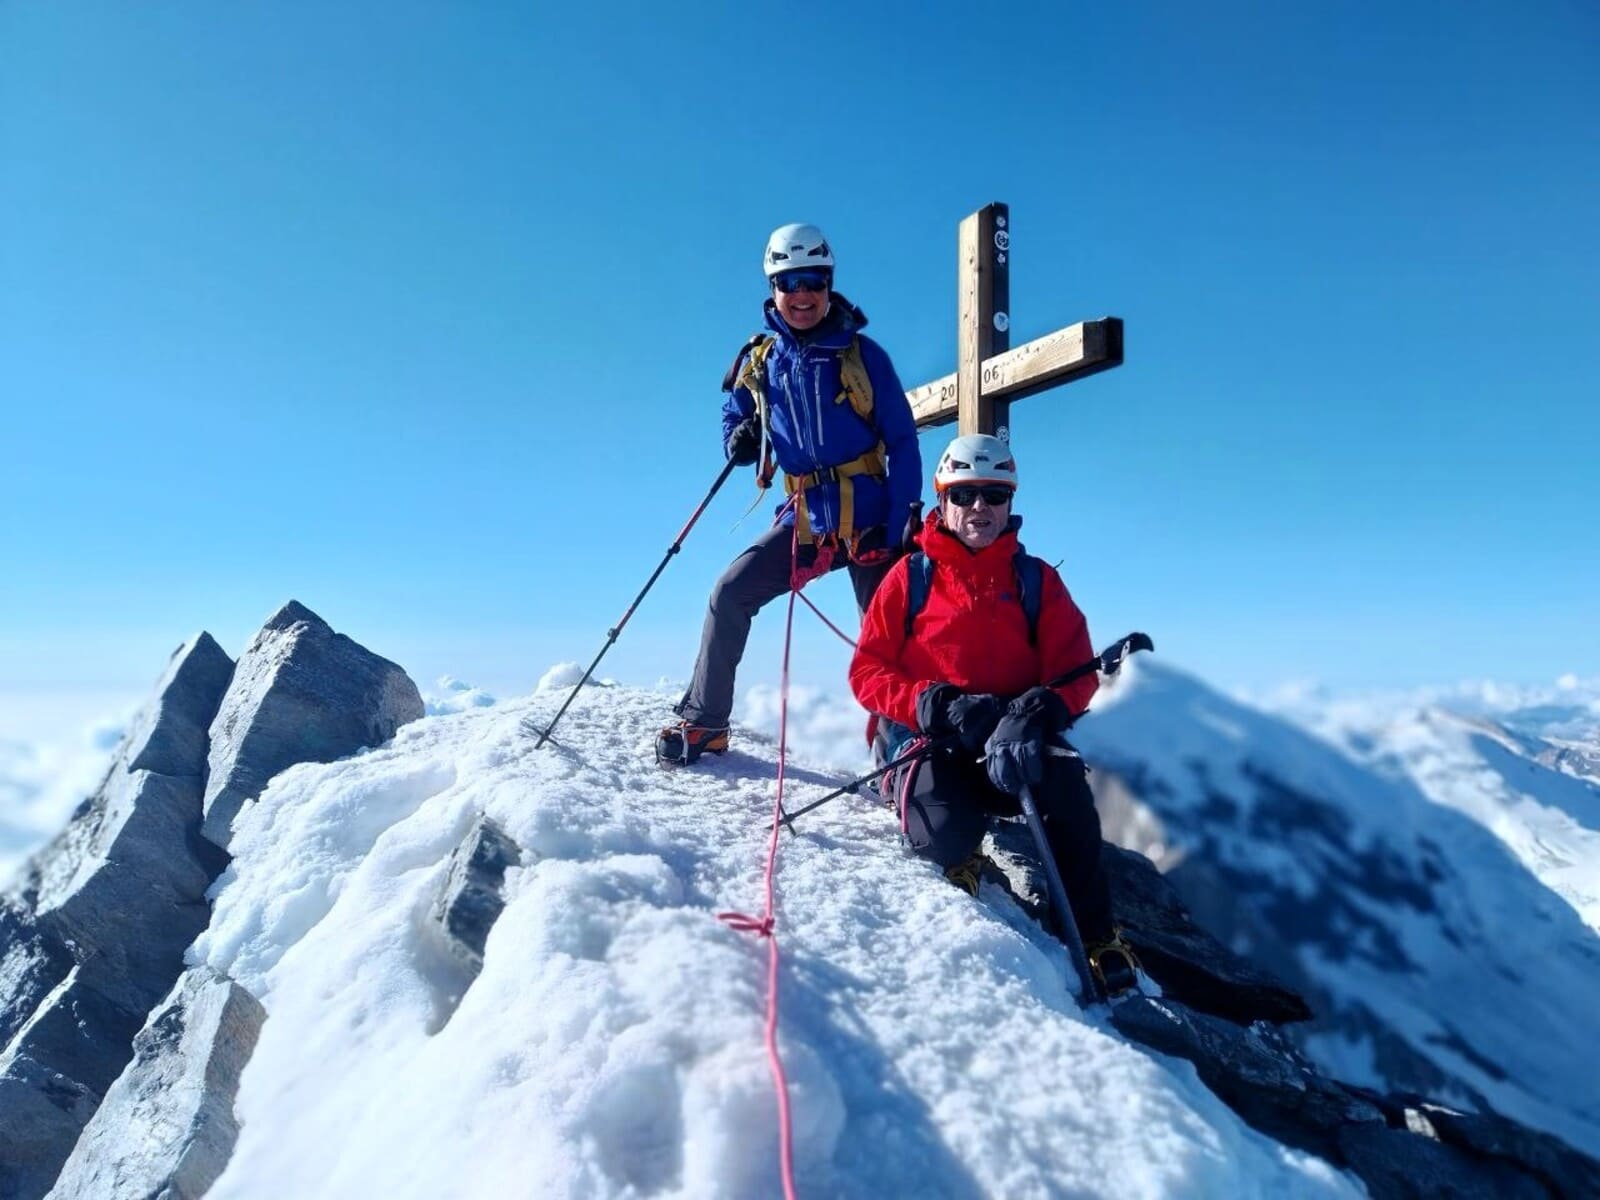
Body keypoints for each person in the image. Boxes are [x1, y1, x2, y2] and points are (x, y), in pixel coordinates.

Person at [847, 433, 1139, 995]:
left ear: (1010, 503)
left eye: (993, 495)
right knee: (943, 836)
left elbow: (1076, 672)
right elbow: (867, 672)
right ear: (942, 501)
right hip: (931, 737)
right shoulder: (909, 579)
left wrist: (1037, 711)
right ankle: (957, 848)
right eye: (965, 494)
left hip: (1008, 744)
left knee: (1065, 785)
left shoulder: (1036, 582)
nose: (979, 507)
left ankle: (1095, 934)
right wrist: (932, 702)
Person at [658, 223, 922, 764]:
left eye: (814, 281)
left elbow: (903, 441)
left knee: (891, 636)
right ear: (773, 288)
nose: (802, 295)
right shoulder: (761, 359)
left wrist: (900, 525)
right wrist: (737, 434)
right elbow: (735, 405)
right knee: (730, 591)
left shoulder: (863, 356)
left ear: (829, 284)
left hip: (871, 517)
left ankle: (908, 753)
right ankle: (706, 724)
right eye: (790, 282)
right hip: (804, 518)